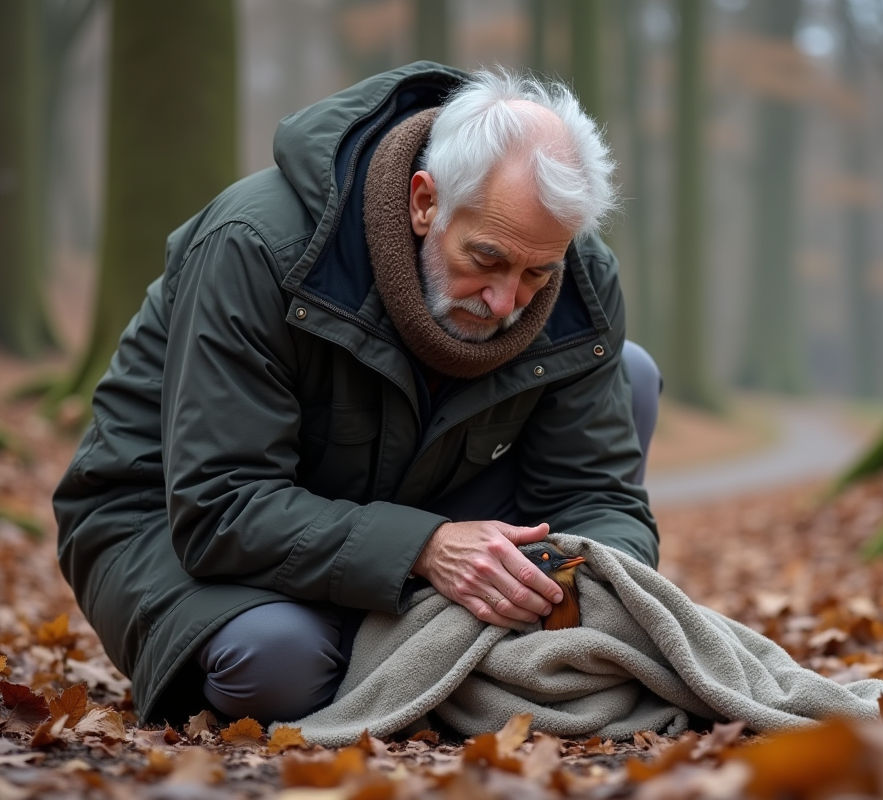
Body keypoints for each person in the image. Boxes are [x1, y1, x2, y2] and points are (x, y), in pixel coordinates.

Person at [54, 62, 661, 726]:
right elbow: (220, 504)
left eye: (537, 272)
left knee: (628, 372)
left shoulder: (579, 276)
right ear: (425, 201)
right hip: (175, 525)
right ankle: (412, 658)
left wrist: (588, 590)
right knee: (276, 663)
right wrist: (427, 549)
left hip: (410, 504)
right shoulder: (257, 244)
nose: (506, 301)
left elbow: (596, 497)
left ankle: (405, 655)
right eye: (485, 259)